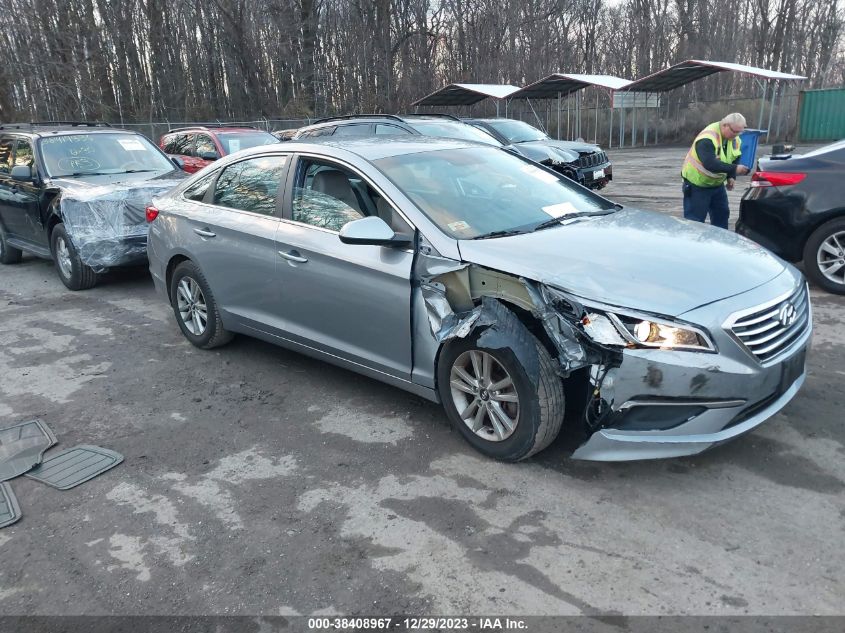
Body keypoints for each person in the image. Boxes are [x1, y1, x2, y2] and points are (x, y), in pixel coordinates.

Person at [681, 113, 751, 229]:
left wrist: (731, 176)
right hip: (697, 186)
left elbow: (735, 156)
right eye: (734, 131)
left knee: (722, 217)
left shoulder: (735, 139)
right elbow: (710, 163)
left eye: (740, 132)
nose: (737, 135)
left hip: (717, 186)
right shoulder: (707, 139)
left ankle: (719, 245)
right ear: (725, 125)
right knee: (694, 224)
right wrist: (735, 169)